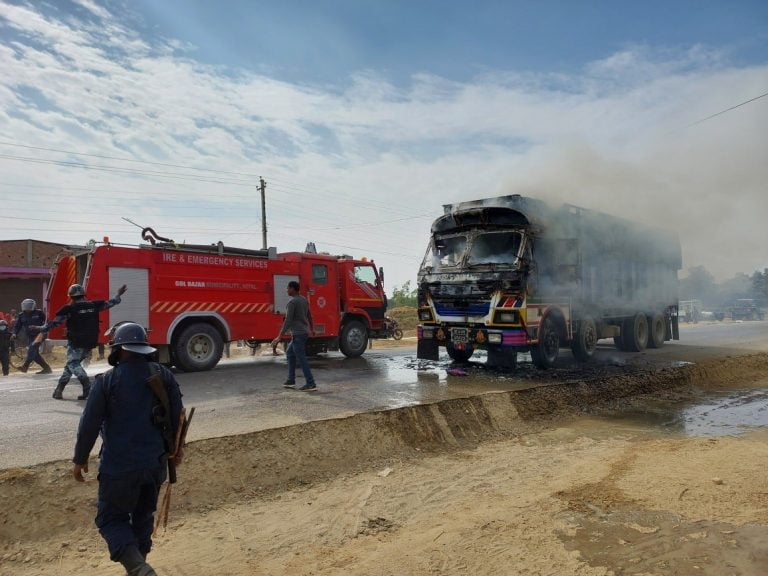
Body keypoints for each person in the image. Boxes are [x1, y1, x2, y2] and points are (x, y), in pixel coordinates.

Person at [73, 322, 183, 576]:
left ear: (119, 350)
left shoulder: (107, 381)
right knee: (143, 518)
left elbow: (89, 423)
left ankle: (138, 568)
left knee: (110, 520)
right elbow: (177, 418)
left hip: (118, 468)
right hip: (154, 465)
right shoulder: (164, 376)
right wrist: (176, 451)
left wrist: (80, 459)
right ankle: (139, 568)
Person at [38, 283, 126, 400]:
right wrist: (118, 294)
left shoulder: (68, 309)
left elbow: (56, 323)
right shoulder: (95, 305)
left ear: (71, 296)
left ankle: (86, 384)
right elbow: (113, 302)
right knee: (70, 365)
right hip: (90, 342)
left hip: (76, 342)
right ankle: (59, 390)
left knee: (73, 363)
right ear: (83, 294)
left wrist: (40, 328)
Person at [271, 280, 316, 391]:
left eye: (288, 288)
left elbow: (288, 321)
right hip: (303, 332)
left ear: (292, 289)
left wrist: (279, 337)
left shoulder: (292, 303)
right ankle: (291, 380)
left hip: (298, 334)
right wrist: (312, 328)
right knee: (290, 353)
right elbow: (309, 316)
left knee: (301, 358)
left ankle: (311, 383)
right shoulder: (304, 300)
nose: (286, 290)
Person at [11, 298, 52, 374]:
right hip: (30, 336)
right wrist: (14, 333)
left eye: (29, 306)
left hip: (40, 334)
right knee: (35, 355)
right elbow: (17, 326)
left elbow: (47, 322)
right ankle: (47, 369)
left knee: (32, 348)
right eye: (26, 306)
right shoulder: (21, 315)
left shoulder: (39, 313)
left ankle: (25, 366)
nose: (27, 309)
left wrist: (41, 329)